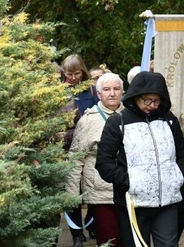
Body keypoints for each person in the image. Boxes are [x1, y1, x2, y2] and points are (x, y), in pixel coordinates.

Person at [95, 71, 184, 247]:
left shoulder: (169, 120)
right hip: (134, 204)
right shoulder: (118, 122)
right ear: (135, 97)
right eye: (147, 100)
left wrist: (178, 177)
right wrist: (129, 182)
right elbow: (103, 162)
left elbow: (183, 152)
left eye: (156, 100)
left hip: (168, 202)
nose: (152, 105)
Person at [66, 73, 125, 247]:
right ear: (98, 94)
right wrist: (72, 196)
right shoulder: (88, 121)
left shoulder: (132, 116)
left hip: (130, 190)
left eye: (116, 89)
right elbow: (75, 160)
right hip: (101, 194)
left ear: (123, 92)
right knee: (109, 240)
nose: (112, 93)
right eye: (107, 89)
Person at [61, 54, 99, 244]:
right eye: (70, 74)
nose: (74, 77)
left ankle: (91, 226)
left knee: (92, 190)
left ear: (83, 71)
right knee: (72, 193)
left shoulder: (91, 90)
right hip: (67, 149)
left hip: (90, 148)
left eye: (77, 73)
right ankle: (76, 234)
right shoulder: (59, 91)